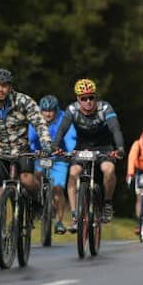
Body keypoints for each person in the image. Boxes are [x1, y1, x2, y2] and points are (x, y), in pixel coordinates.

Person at [0, 68, 51, 214]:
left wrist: (46, 143)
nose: (0, 89)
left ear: (10, 87)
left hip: (21, 150)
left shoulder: (23, 101)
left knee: (26, 179)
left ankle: (39, 200)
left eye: (4, 85)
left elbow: (40, 123)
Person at [53, 78, 125, 230]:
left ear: (95, 97)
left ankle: (107, 203)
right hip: (83, 147)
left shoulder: (104, 108)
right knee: (73, 173)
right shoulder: (72, 110)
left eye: (91, 97)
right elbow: (61, 129)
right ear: (78, 99)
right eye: (83, 98)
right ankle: (74, 216)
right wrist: (55, 145)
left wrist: (119, 148)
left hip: (104, 147)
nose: (88, 101)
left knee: (109, 169)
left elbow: (115, 129)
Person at [28, 95, 75, 235]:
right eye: (45, 110)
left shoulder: (63, 118)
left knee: (58, 188)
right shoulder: (35, 118)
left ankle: (59, 222)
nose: (48, 113)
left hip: (59, 158)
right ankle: (35, 206)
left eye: (51, 110)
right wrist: (32, 151)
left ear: (56, 110)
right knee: (34, 178)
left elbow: (71, 137)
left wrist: (69, 152)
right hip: (40, 156)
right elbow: (30, 138)